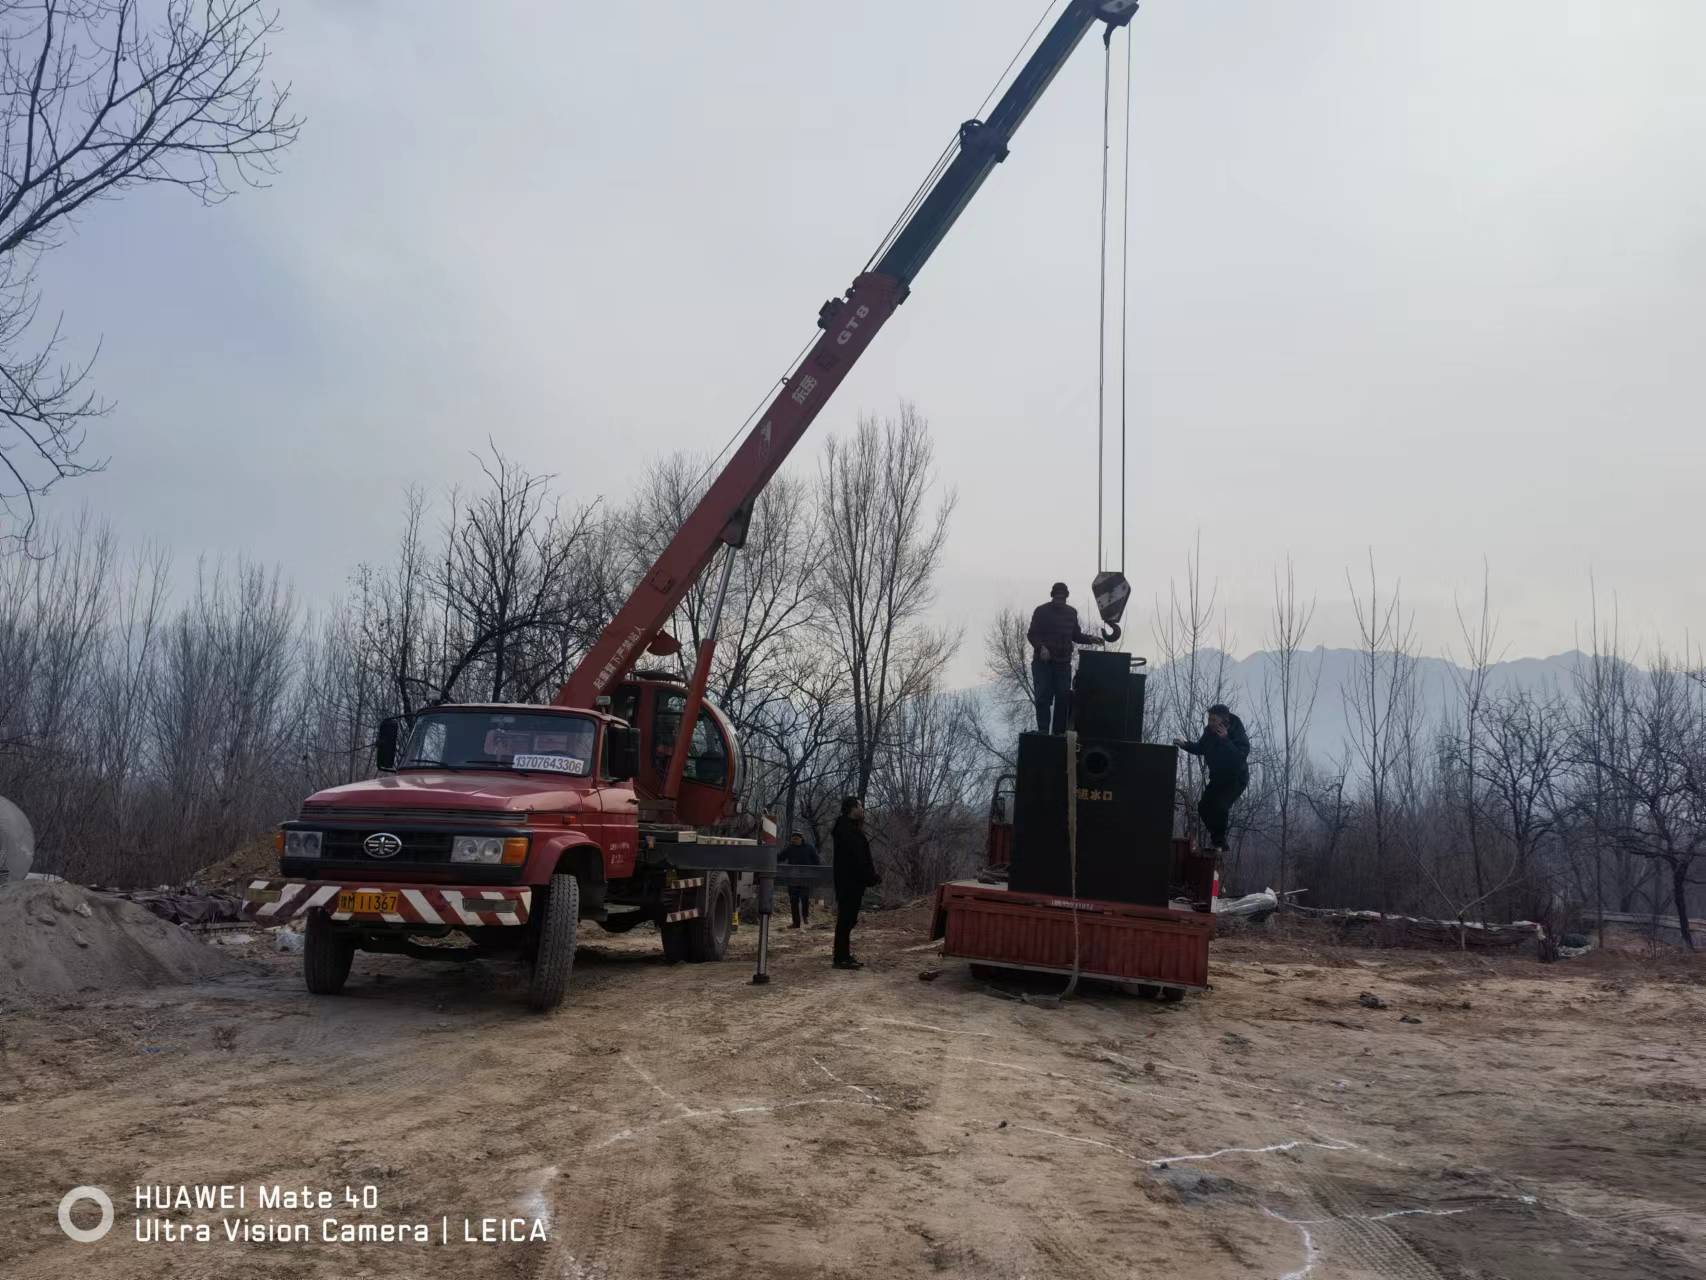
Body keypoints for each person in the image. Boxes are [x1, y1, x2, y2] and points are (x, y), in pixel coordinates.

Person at [1026, 582, 1103, 734]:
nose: (1060, 601)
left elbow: (1076, 635)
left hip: (1063, 664)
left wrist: (1091, 639)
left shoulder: (1071, 613)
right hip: (1043, 664)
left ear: (1066, 598)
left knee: (1063, 697)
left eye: (1062, 598)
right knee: (1043, 697)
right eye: (1057, 598)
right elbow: (1032, 634)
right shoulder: (1041, 611)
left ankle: (1058, 733)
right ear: (1052, 596)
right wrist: (1041, 648)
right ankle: (1043, 730)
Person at [1174, 704, 1250, 853]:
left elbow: (1239, 758)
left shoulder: (1237, 732)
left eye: (1214, 720)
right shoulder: (1209, 732)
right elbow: (1201, 748)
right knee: (1203, 807)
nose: (1210, 723)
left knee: (1220, 806)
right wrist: (1185, 744)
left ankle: (1219, 843)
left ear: (1224, 721)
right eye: (1209, 719)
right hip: (1218, 779)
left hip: (1235, 779)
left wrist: (1226, 740)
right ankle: (1218, 839)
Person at [830, 796, 879, 970]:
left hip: (851, 882)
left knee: (848, 919)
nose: (862, 809)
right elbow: (857, 859)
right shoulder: (847, 831)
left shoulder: (849, 828)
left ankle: (843, 955)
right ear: (852, 808)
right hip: (849, 882)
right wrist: (870, 877)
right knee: (846, 919)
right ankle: (840, 958)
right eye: (860, 806)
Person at [779, 831, 818, 928]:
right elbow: (780, 857)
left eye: (796, 839)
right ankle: (796, 922)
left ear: (801, 839)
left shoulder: (809, 848)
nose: (794, 841)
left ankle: (805, 916)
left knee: (805, 898)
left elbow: (816, 861)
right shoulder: (790, 848)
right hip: (793, 878)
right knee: (793, 900)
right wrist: (770, 859)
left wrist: (815, 873)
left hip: (805, 878)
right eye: (793, 839)